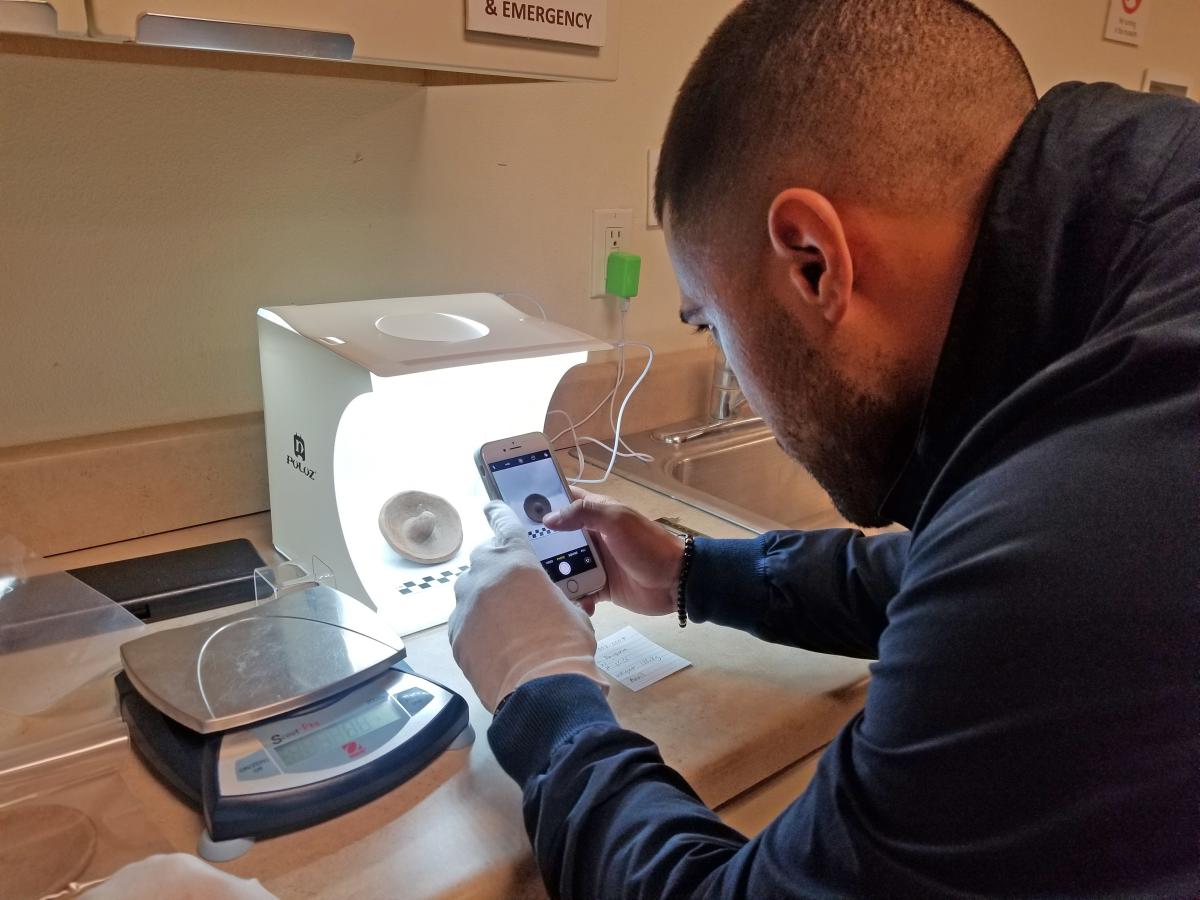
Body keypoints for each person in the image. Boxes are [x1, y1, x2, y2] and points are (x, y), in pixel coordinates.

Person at [448, 0, 1200, 896]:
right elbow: (961, 568)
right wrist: (697, 574)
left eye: (712, 323)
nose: (728, 361)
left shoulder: (1091, 523)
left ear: (814, 261)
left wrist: (544, 692)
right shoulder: (1147, 230)